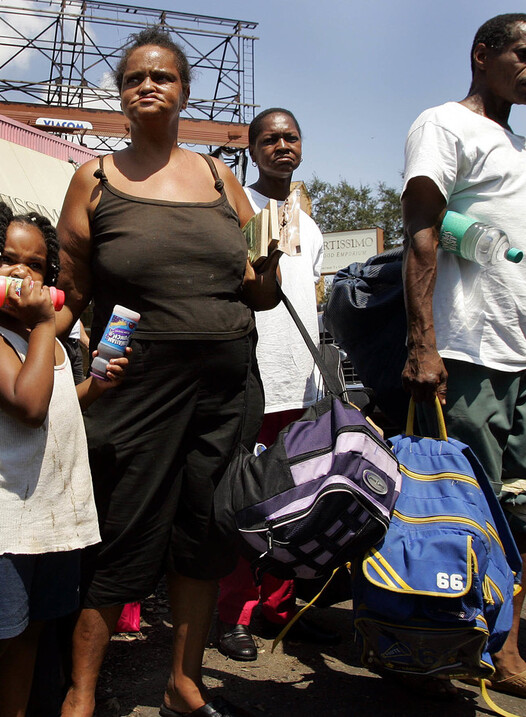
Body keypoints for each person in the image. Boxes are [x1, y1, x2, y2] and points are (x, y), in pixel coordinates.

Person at [56, 26, 282, 717]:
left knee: (205, 530)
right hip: (138, 391)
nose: (149, 85)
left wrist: (270, 265)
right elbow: (68, 296)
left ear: (184, 91)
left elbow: (257, 291)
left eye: (163, 76)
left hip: (225, 389)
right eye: (134, 78)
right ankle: (82, 690)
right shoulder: (95, 178)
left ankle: (184, 681)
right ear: (121, 97)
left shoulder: (220, 178)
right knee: (122, 530)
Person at [400, 14, 526, 709]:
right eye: (524, 53)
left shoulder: (517, 149)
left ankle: (504, 652)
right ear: (482, 54)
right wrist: (423, 343)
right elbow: (421, 230)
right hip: (468, 353)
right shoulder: (443, 125)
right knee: (464, 511)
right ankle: (443, 650)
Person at [0, 202, 127, 717]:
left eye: (35, 263)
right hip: (2, 524)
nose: (19, 271)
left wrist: (98, 386)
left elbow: (57, 402)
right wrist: (47, 323)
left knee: (28, 637)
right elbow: (27, 406)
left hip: (52, 521)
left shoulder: (41, 338)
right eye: (4, 258)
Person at [215, 108, 335, 661]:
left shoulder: (308, 224)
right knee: (247, 500)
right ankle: (234, 614)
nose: (281, 146)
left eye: (290, 136)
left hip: (303, 389)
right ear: (252, 148)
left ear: (302, 145)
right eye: (269, 139)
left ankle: (278, 607)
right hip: (254, 381)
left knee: (296, 501)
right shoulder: (237, 209)